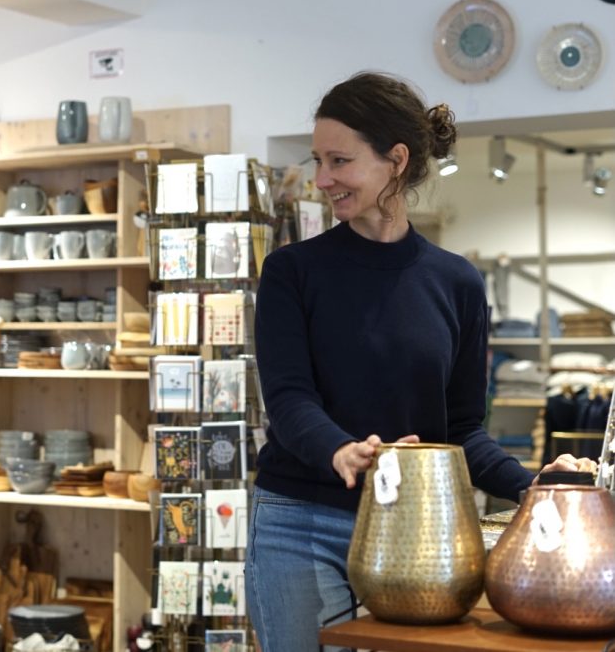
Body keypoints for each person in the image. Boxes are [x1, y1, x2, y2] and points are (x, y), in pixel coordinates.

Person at [245, 72, 594, 652]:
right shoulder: (292, 272)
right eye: (317, 161)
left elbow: (461, 431)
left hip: (418, 531)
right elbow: (288, 399)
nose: (322, 179)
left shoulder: (456, 282)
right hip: (300, 524)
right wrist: (341, 449)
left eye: (339, 161)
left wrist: (536, 486)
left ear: (396, 160)